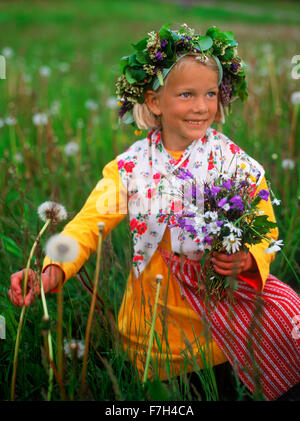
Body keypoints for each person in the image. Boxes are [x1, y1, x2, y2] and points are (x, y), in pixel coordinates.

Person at [9, 23, 300, 401]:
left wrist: (246, 259)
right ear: (154, 101)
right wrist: (50, 270)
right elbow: (85, 226)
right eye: (186, 94)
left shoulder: (234, 163)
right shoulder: (130, 169)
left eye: (210, 93)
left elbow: (265, 228)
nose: (201, 106)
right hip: (152, 329)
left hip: (217, 329)